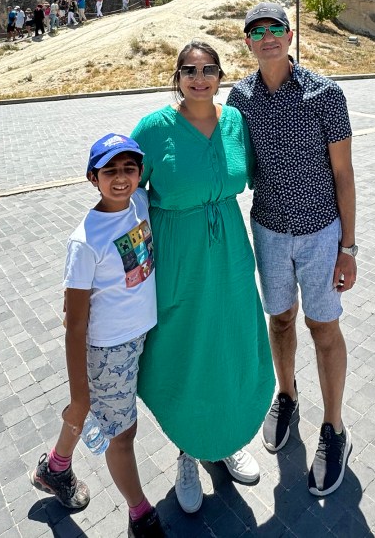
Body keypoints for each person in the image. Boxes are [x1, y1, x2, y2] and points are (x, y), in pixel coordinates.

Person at [131, 42, 274, 514]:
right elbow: (125, 194)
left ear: (220, 76)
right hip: (180, 260)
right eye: (189, 70)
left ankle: (227, 440)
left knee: (230, 346)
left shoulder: (234, 121)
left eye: (208, 69)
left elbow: (254, 175)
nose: (199, 78)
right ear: (177, 77)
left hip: (230, 256)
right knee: (185, 353)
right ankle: (188, 451)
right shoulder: (154, 129)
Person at [227, 2, 357, 497]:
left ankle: (335, 428)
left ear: (289, 35)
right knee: (280, 320)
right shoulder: (240, 98)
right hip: (269, 231)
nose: (267, 37)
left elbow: (344, 174)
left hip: (322, 232)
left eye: (275, 28)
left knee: (323, 326)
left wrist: (349, 247)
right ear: (248, 42)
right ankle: (287, 393)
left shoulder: (326, 94)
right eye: (257, 30)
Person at [29, 134, 165, 538]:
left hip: (140, 337)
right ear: (93, 178)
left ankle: (55, 468)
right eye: (110, 171)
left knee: (103, 416)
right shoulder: (85, 242)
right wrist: (78, 394)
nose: (121, 178)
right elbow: (74, 326)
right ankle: (140, 513)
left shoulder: (139, 203)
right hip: (108, 350)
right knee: (123, 435)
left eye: (129, 169)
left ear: (140, 174)